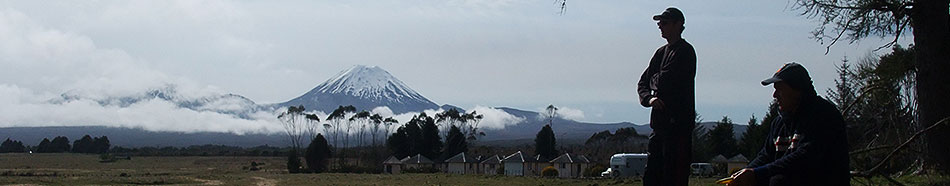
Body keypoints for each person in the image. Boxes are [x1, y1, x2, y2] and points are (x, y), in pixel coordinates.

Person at [728, 62, 850, 186]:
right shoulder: (779, 122)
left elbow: (806, 157)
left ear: (798, 89)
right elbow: (766, 155)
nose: (774, 95)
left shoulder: (823, 115)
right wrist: (744, 175)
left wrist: (758, 173)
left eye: (779, 89)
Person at [637, 7, 696, 186]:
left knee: (674, 178)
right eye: (659, 23)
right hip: (659, 128)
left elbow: (665, 81)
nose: (660, 26)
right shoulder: (660, 53)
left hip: (678, 130)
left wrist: (654, 82)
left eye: (664, 22)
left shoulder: (685, 52)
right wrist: (649, 98)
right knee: (652, 178)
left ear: (678, 25)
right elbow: (642, 83)